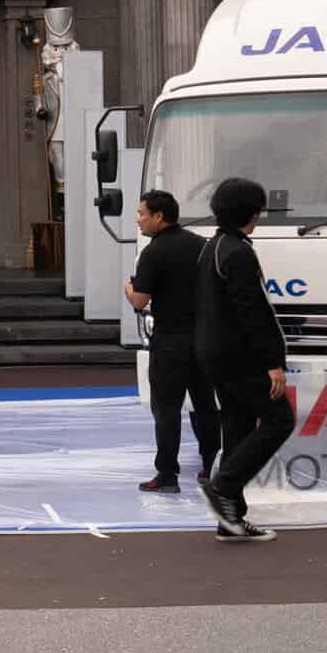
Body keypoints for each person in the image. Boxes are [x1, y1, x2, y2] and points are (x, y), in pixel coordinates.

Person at [196, 175, 295, 544]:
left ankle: (231, 518)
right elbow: (253, 313)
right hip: (240, 357)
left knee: (237, 427)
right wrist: (273, 362)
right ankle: (223, 486)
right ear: (252, 212)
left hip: (214, 354)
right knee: (279, 419)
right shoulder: (237, 253)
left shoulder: (213, 247)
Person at [124, 188, 217, 494]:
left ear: (158, 216)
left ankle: (167, 475)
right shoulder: (202, 246)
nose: (138, 220)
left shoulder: (153, 252)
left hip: (169, 341)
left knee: (166, 409)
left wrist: (128, 288)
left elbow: (140, 300)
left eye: (141, 214)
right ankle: (211, 466)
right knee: (205, 405)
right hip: (202, 338)